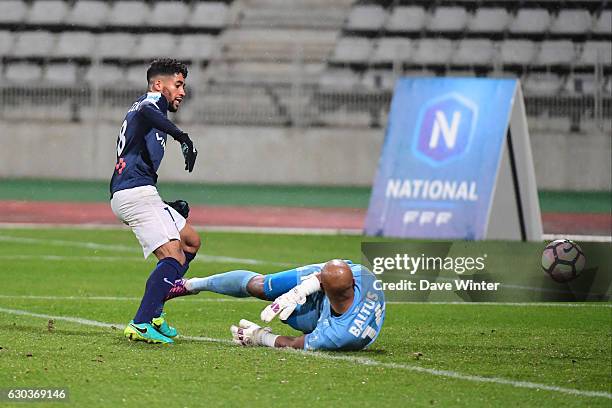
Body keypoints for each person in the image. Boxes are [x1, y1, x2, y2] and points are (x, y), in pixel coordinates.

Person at [110, 58, 200, 345]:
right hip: (135, 193)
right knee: (173, 257)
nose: (182, 91)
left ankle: (157, 313)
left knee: (189, 242)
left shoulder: (149, 111)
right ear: (159, 84)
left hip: (140, 190)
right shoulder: (150, 103)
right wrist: (181, 136)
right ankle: (141, 322)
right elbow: (150, 110)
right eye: (178, 84)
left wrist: (167, 205)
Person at [166, 260, 386, 351]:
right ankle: (191, 284)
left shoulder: (339, 334)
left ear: (325, 291)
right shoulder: (359, 275)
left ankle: (190, 283)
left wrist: (260, 337)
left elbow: (298, 342)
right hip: (332, 293)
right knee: (263, 287)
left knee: (285, 315)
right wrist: (299, 291)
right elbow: (324, 276)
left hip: (326, 320)